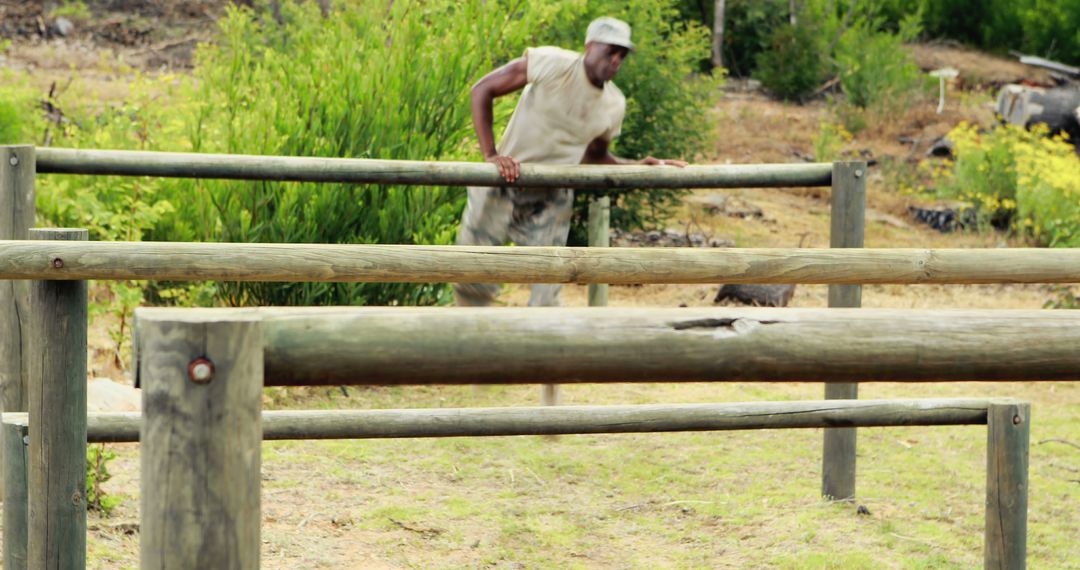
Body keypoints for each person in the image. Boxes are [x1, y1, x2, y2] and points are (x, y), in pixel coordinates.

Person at [455, 16, 688, 307]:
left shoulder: (614, 104)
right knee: (471, 280)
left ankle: (541, 349)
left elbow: (595, 157)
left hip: (551, 195)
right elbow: (482, 90)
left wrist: (640, 166)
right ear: (590, 46)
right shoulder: (554, 64)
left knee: (548, 287)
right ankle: (469, 344)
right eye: (610, 51)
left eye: (622, 55)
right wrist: (491, 155)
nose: (616, 60)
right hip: (503, 183)